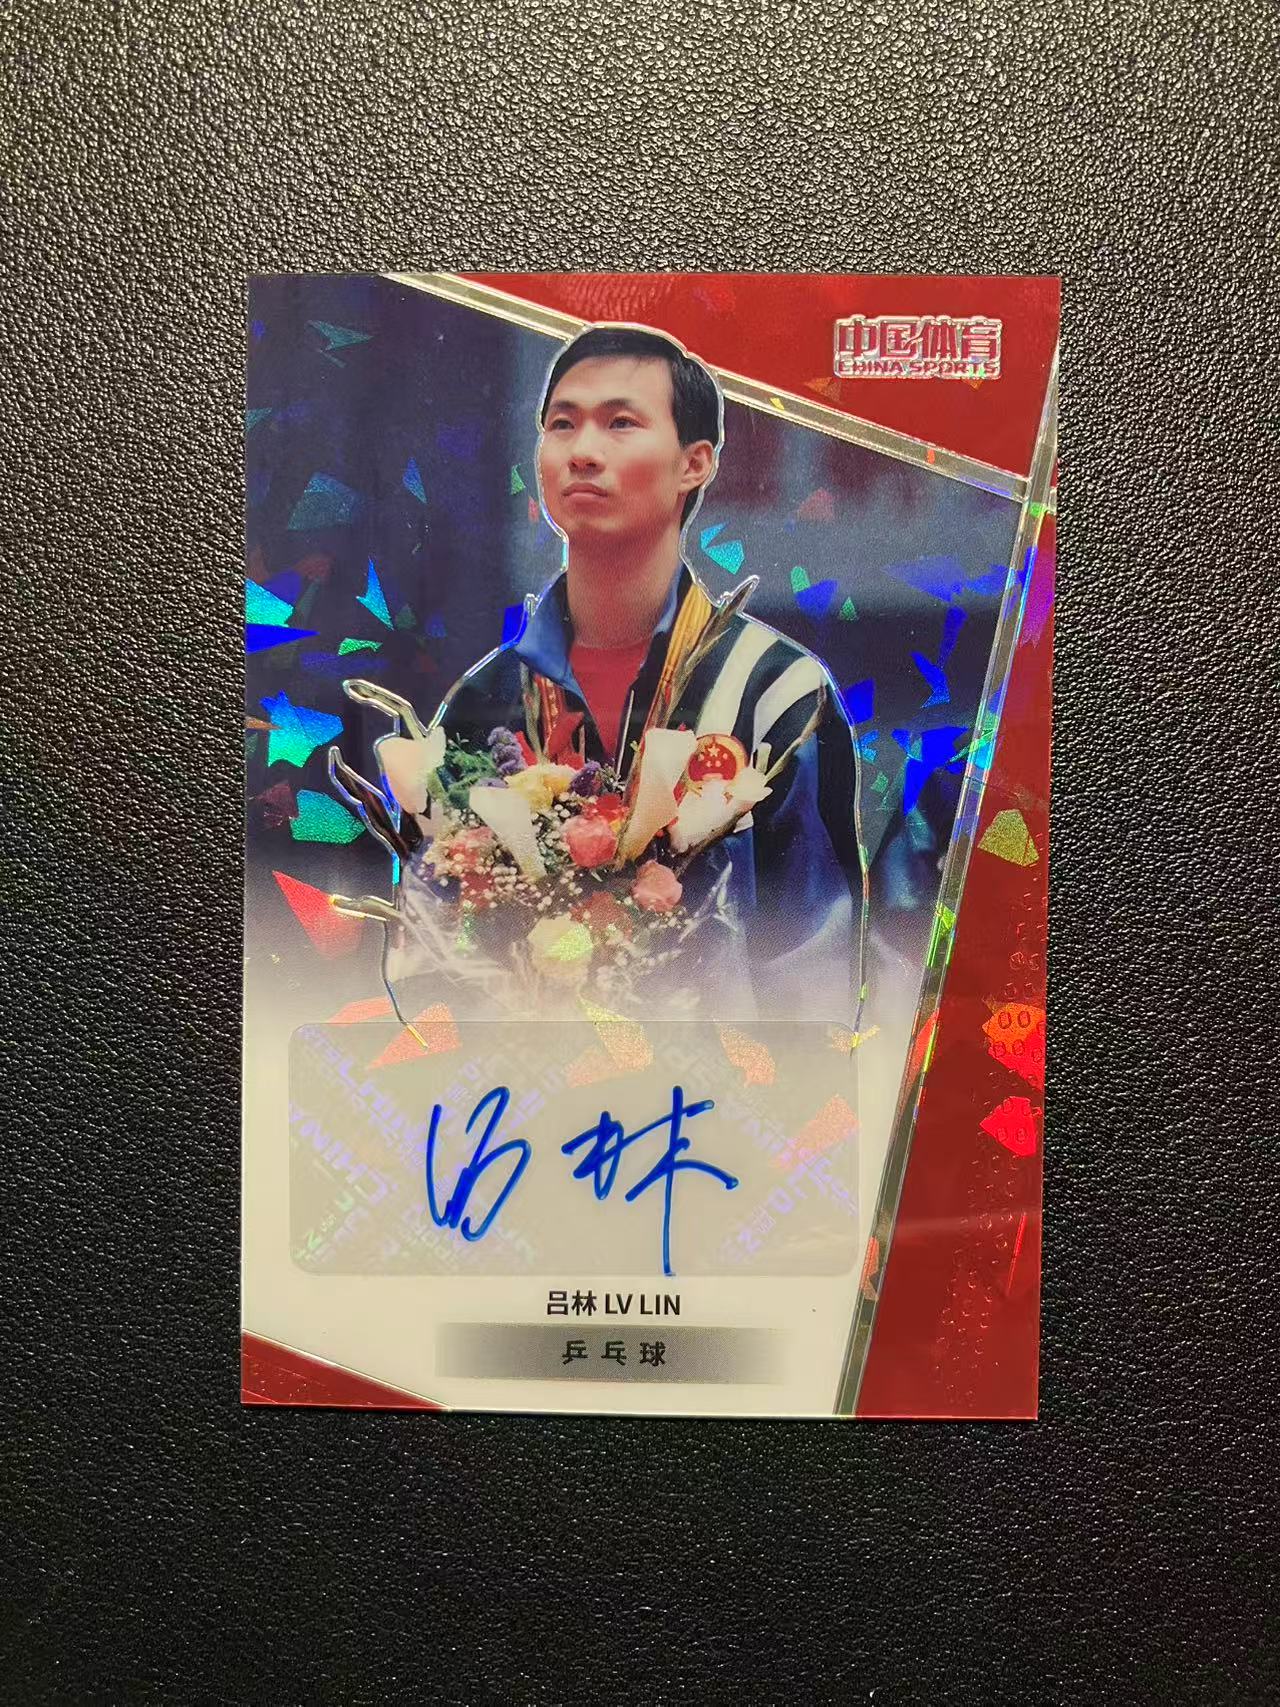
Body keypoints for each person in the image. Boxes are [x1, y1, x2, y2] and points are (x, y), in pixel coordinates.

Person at [420, 323, 868, 1024]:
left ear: (695, 463)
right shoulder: (484, 703)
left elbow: (816, 978)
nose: (583, 451)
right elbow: (427, 953)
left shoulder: (775, 694)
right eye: (562, 424)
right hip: (509, 1088)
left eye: (620, 423)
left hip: (718, 1088)